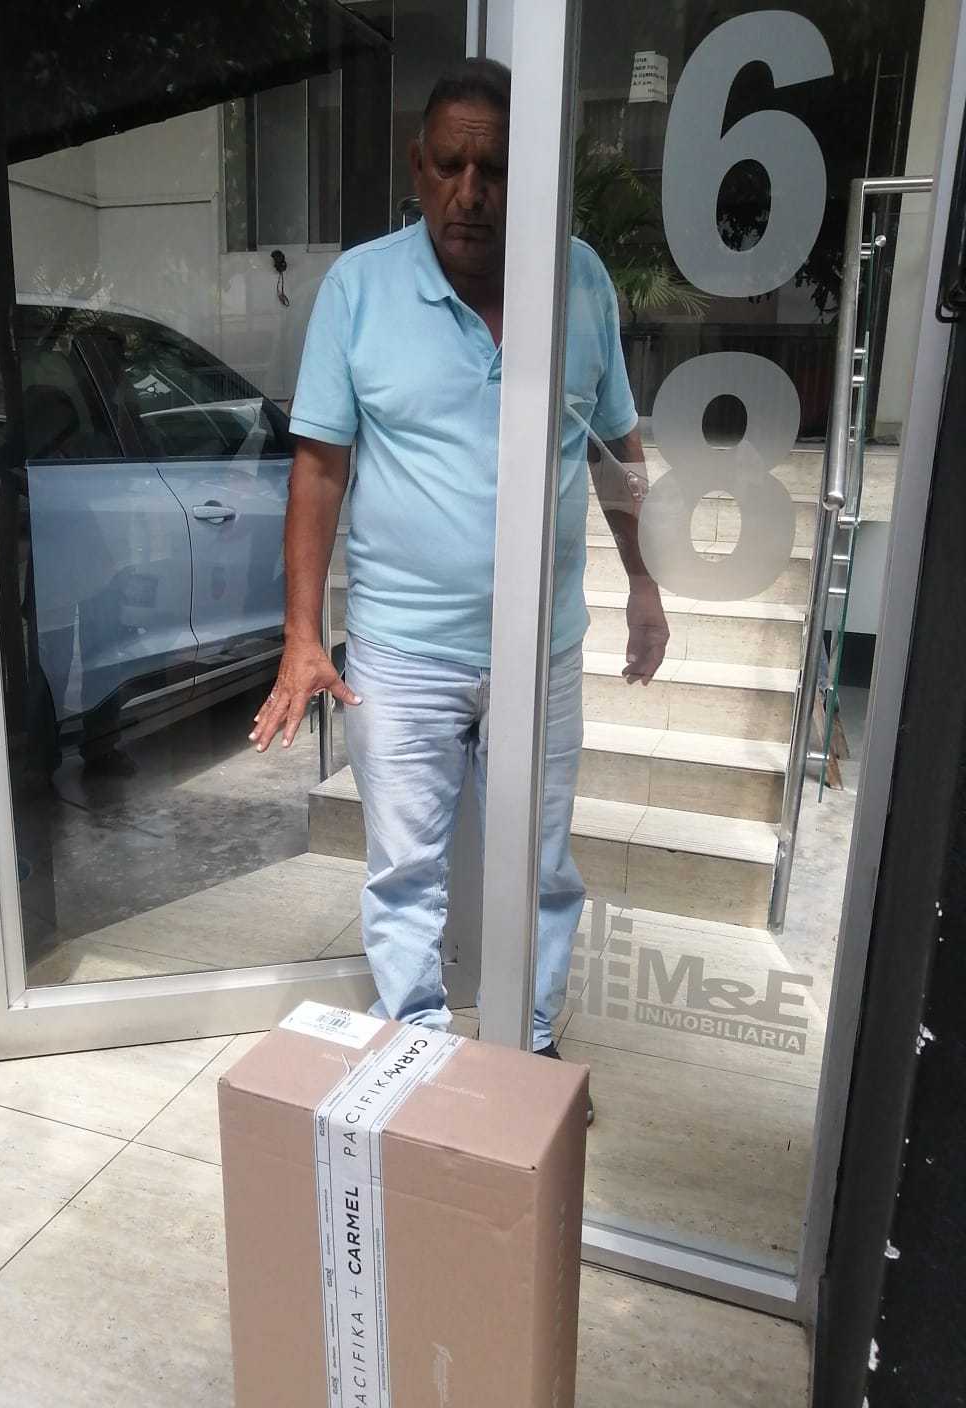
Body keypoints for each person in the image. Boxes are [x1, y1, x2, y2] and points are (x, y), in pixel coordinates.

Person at [250, 59, 668, 1120]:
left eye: (495, 170)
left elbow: (616, 447)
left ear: (529, 176)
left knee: (541, 867)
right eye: (450, 166)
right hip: (400, 651)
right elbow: (319, 470)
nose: (471, 193)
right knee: (405, 872)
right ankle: (422, 1065)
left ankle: (528, 1049)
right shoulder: (360, 290)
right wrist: (304, 636)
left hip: (543, 649)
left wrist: (645, 582)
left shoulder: (578, 282)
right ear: (418, 166)